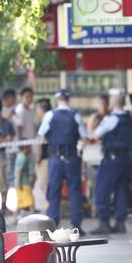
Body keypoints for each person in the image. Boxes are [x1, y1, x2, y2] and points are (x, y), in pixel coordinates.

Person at [37, 89, 89, 230]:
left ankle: (52, 225)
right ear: (68, 99)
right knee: (75, 191)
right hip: (72, 157)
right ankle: (76, 224)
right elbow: (84, 137)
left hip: (56, 158)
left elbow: (41, 136)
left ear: (57, 99)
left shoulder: (50, 115)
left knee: (54, 190)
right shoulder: (75, 116)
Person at [90, 94, 132, 234]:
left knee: (102, 189)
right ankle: (120, 222)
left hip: (112, 158)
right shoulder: (128, 118)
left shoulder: (111, 118)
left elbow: (95, 134)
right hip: (126, 158)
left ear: (112, 103)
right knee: (121, 189)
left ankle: (104, 222)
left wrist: (95, 119)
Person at [34, 98, 52, 212]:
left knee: (44, 184)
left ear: (41, 109)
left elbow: (40, 142)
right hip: (53, 157)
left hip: (45, 159)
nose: (36, 112)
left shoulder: (44, 122)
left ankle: (48, 208)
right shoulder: (53, 120)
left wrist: (38, 158)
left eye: (37, 109)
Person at [1, 89, 19, 188]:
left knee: (16, 168)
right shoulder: (1, 111)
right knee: (8, 170)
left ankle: (14, 186)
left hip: (17, 145)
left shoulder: (17, 109)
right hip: (6, 147)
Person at [14, 144, 36, 221]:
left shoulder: (19, 157)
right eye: (29, 147)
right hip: (24, 184)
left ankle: (15, 218)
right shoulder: (23, 158)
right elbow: (20, 171)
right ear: (25, 147)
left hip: (19, 184)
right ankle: (34, 219)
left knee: (20, 203)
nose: (31, 149)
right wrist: (20, 183)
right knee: (31, 202)